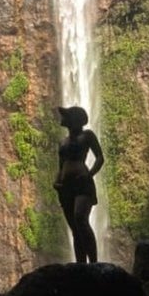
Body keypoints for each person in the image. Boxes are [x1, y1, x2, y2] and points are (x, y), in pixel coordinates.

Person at [53, 105, 103, 263]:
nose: (62, 118)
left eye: (66, 115)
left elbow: (100, 157)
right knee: (75, 228)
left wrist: (89, 174)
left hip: (83, 184)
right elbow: (61, 166)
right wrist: (57, 181)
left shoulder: (87, 135)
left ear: (74, 119)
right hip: (65, 187)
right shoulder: (62, 142)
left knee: (80, 217)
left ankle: (94, 262)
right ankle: (81, 264)